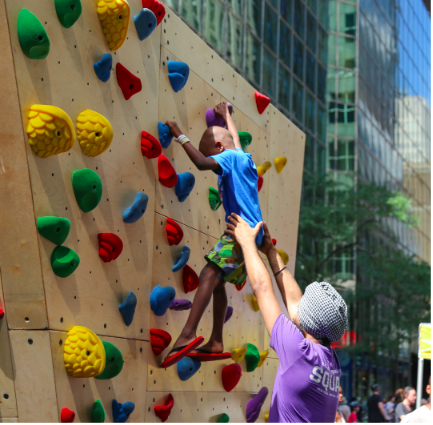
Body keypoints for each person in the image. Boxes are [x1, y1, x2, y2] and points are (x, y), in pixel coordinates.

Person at [160, 102, 264, 367]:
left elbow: (200, 162)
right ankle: (216, 341)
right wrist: (226, 115)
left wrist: (179, 133)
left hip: (241, 233)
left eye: (215, 157)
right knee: (217, 283)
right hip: (255, 236)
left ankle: (187, 334)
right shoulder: (243, 157)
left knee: (208, 273)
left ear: (219, 150)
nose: (217, 164)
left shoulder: (227, 157)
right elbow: (234, 138)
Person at [225, 213, 348, 423]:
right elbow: (296, 305)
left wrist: (247, 243)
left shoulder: (299, 352)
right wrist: (271, 252)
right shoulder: (331, 362)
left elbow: (262, 289)